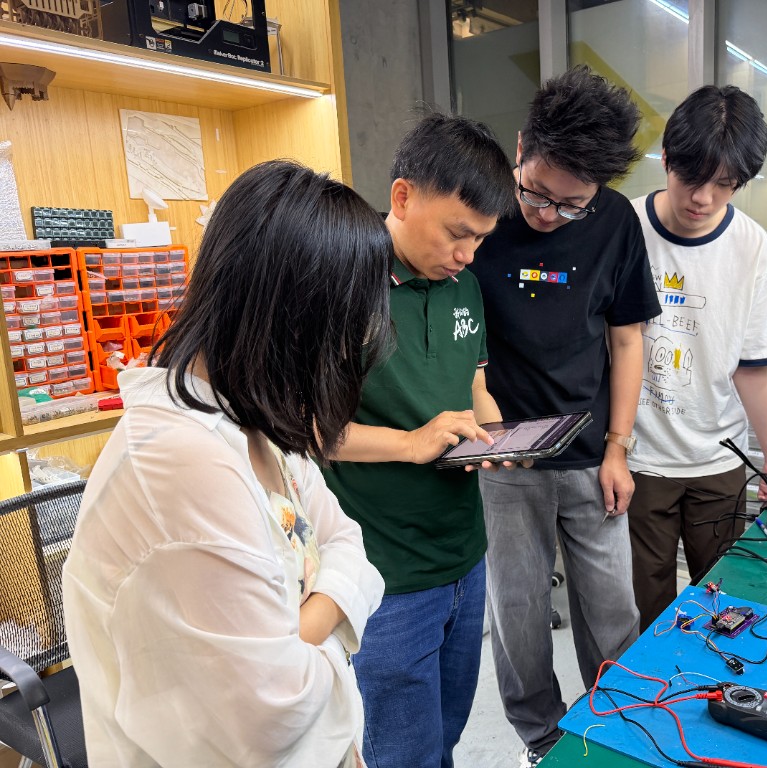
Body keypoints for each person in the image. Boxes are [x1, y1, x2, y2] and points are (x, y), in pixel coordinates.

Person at [62, 160, 393, 767]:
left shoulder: (253, 415)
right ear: (298, 323)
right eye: (346, 331)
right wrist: (320, 619)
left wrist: (297, 629)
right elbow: (276, 710)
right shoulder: (185, 461)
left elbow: (349, 541)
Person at [468, 65, 661, 766]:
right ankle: (541, 741)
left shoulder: (614, 223)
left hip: (589, 449)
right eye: (536, 193)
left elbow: (627, 336)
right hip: (504, 451)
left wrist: (619, 446)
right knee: (516, 613)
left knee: (613, 610)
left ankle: (620, 730)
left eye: (569, 204)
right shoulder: (483, 209)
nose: (546, 214)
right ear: (521, 146)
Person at [320, 112, 517, 768]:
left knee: (446, 734)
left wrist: (495, 435)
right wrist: (412, 443)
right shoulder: (341, 283)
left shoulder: (464, 284)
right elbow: (311, 429)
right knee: (402, 752)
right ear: (403, 198)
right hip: (387, 572)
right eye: (457, 233)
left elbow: (475, 386)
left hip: (464, 552)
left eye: (480, 240)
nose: (466, 255)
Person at [627, 85, 767, 632]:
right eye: (691, 179)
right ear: (666, 160)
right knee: (642, 614)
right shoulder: (625, 230)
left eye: (724, 185)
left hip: (719, 460)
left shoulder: (751, 246)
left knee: (722, 605)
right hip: (639, 459)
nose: (703, 198)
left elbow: (751, 366)